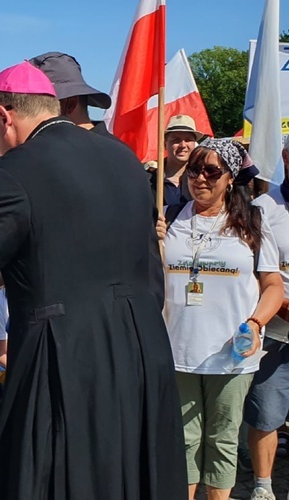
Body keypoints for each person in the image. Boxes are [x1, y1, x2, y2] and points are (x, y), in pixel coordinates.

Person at [0, 60, 187, 499]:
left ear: (4, 117)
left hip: (64, 359)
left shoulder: (13, 172)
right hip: (142, 352)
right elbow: (151, 275)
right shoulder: (125, 160)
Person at [156, 138, 283, 500]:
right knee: (183, 440)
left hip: (231, 354)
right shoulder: (168, 218)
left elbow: (273, 285)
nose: (201, 179)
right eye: (195, 170)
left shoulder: (252, 223)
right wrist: (154, 244)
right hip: (177, 350)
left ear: (230, 178)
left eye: (212, 171)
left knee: (223, 441)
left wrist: (257, 324)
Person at [29, 51, 165, 310]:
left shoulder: (64, 162)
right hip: (132, 320)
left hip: (87, 322)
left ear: (67, 105)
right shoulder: (125, 157)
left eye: (37, 109)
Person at [243, 137, 289, 500]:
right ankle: (262, 487)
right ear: (286, 157)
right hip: (276, 329)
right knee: (265, 413)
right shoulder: (263, 206)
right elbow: (253, 271)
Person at [158, 115, 206, 206]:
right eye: (176, 140)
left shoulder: (203, 177)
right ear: (165, 144)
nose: (183, 145)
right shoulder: (150, 180)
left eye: (188, 140)